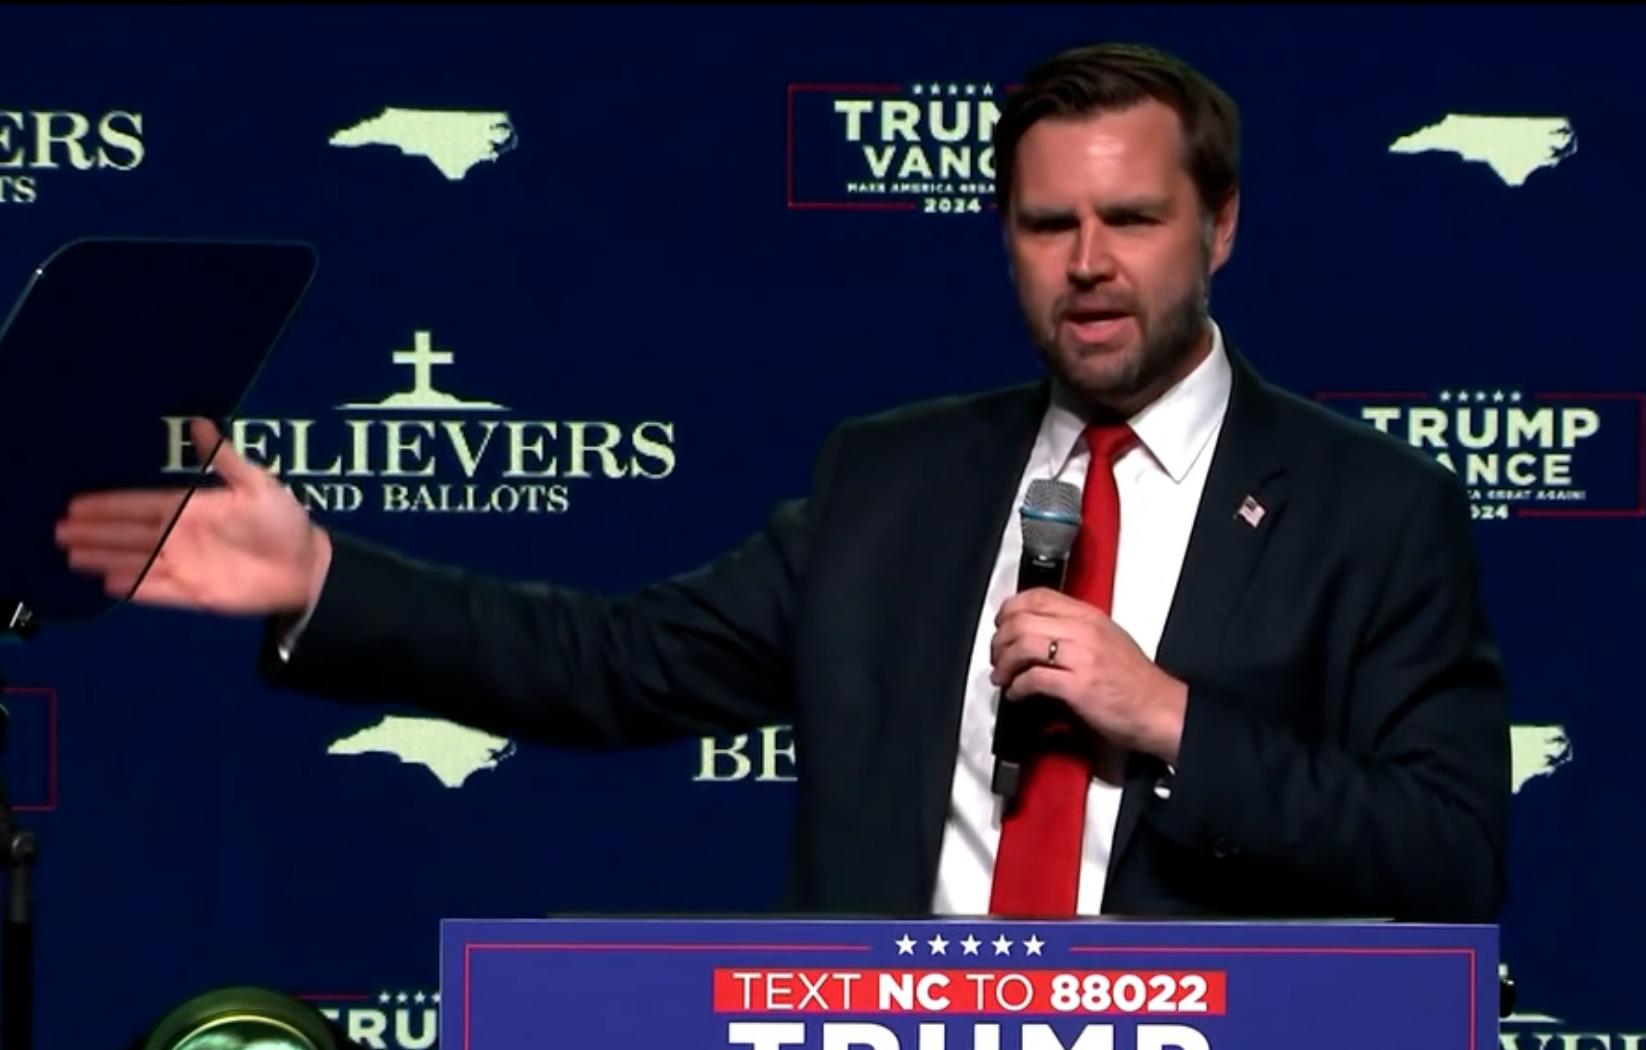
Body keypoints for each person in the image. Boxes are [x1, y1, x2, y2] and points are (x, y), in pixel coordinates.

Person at [53, 42, 1511, 922]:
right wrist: (324, 581)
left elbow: (1449, 850)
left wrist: (1169, 718)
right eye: (1045, 222)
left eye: (1131, 218)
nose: (1087, 264)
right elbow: (615, 663)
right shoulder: (897, 485)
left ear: (1222, 229)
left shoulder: (1369, 509)